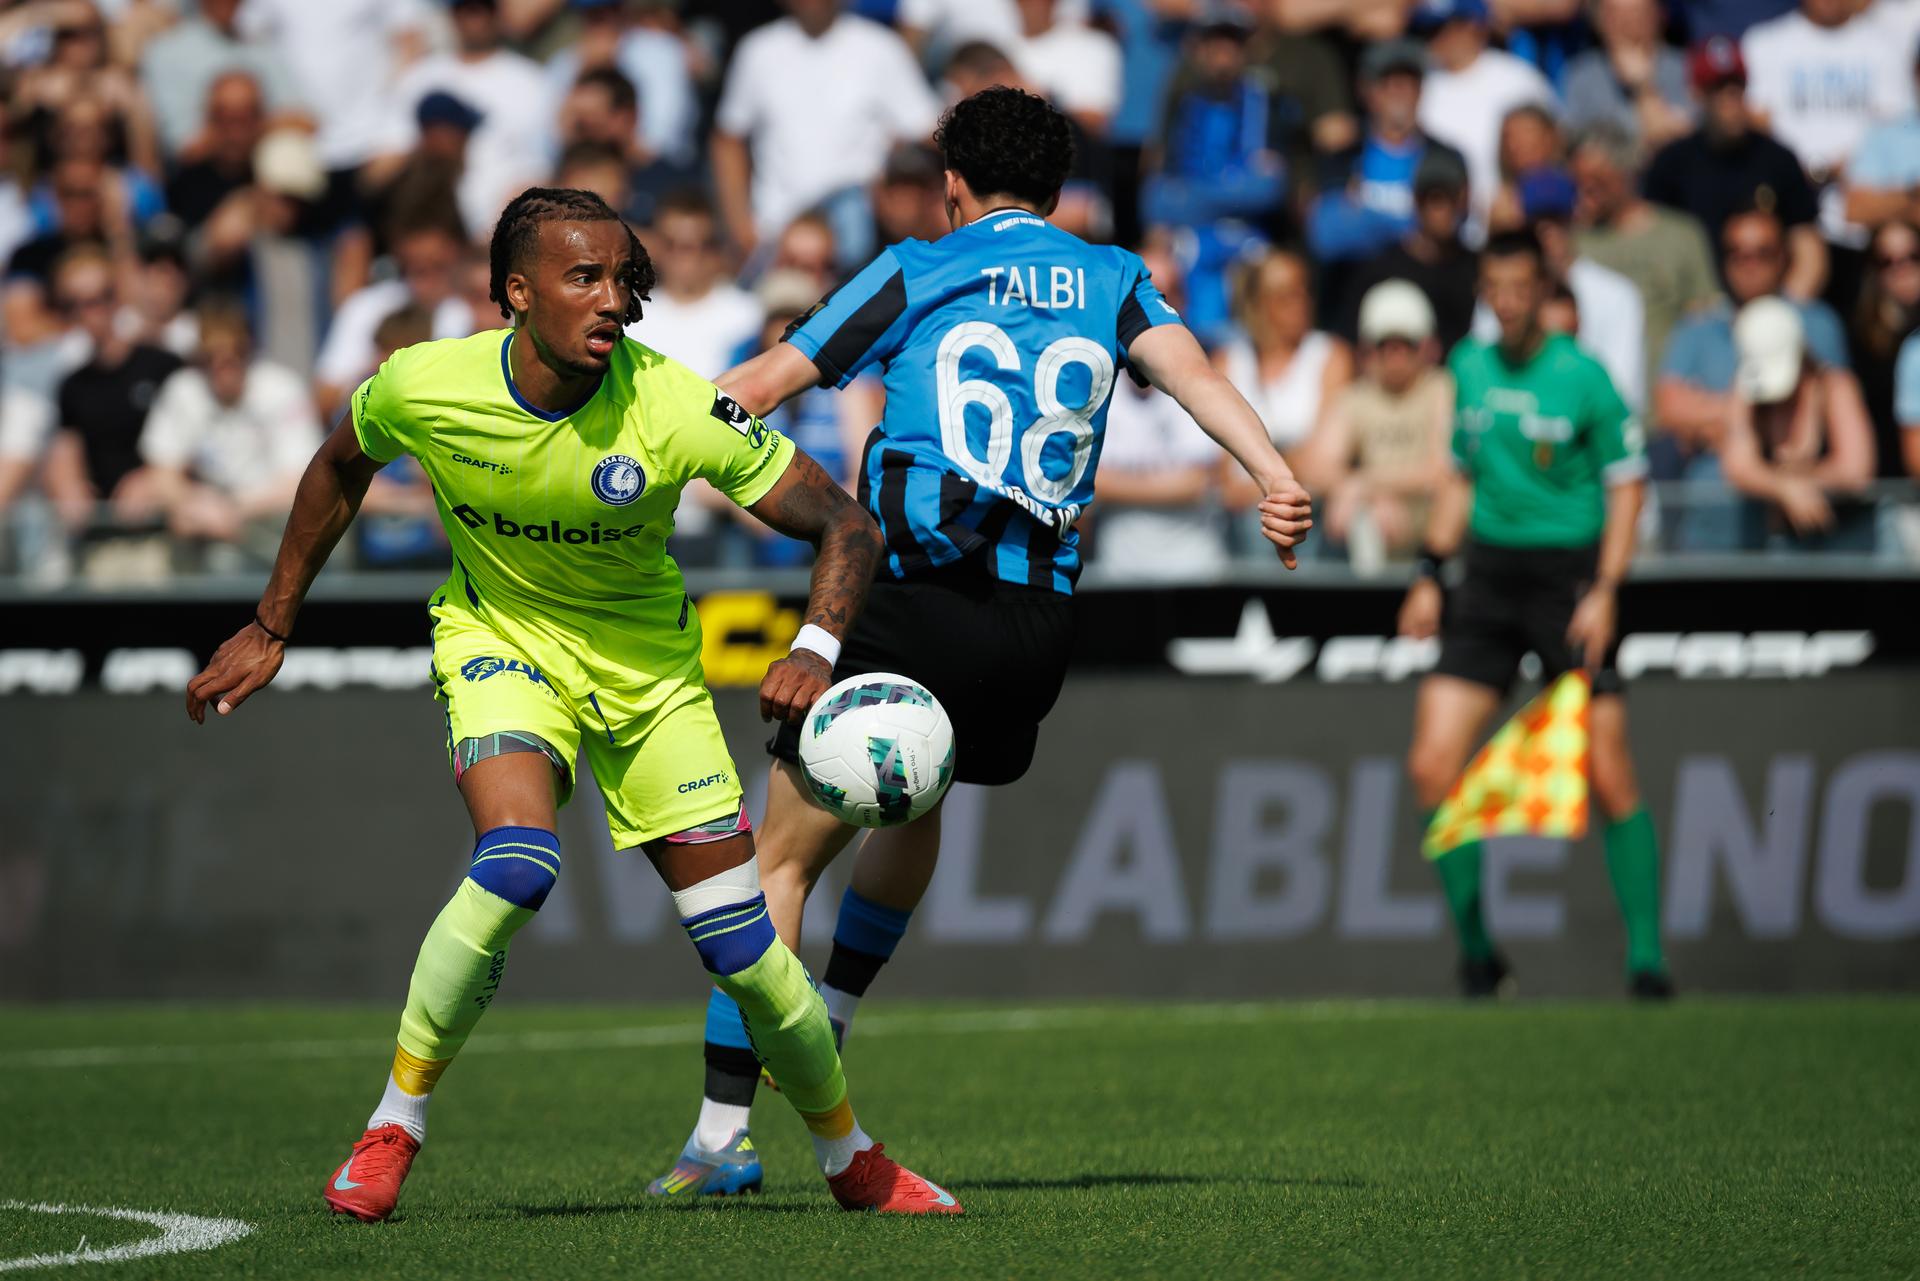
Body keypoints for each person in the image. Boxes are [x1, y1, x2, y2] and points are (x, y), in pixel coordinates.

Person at [182, 185, 961, 1219]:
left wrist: (817, 647)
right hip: (501, 647)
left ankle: (850, 1157)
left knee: (743, 952)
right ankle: (393, 1125)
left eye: (624, 282)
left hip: (649, 682)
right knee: (516, 864)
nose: (614, 303)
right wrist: (273, 621)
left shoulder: (673, 403)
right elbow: (337, 467)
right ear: (516, 293)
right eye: (584, 278)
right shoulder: (425, 384)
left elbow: (846, 524)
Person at [643, 87, 1312, 1197]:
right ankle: (841, 1017)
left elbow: (757, 389)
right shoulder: (1114, 277)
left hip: (907, 589)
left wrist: (641, 449)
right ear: (1058, 189)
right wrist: (1275, 475)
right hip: (1034, 621)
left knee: (780, 859)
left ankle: (721, 1136)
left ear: (952, 183)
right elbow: (1191, 375)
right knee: (919, 790)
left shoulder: (917, 266)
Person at [1397, 228, 1672, 1001]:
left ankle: (1647, 962)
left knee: (1611, 775)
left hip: (1567, 584)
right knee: (1430, 765)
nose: (1507, 299)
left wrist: (1606, 588)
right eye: (1496, 285)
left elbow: (1627, 486)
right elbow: (1458, 475)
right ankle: (1480, 956)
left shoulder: (1584, 377)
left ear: (1544, 291)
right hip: (1487, 579)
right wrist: (1428, 571)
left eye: (1521, 285)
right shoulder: (1469, 367)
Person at [711, 0, 939, 264]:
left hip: (855, 234)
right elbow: (728, 139)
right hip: (776, 230)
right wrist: (740, 225)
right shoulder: (758, 50)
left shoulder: (881, 48)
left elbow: (925, 127)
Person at [1655, 205, 1856, 485]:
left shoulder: (1818, 323)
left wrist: (1715, 418)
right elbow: (1670, 409)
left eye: (1763, 253)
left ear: (1784, 257)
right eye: (1738, 254)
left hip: (1805, 503)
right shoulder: (1697, 326)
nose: (1750, 265)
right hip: (1712, 501)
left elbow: (1836, 405)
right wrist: (1761, 414)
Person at [1642, 36, 1825, 300]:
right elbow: (1655, 244)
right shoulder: (1671, 163)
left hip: (1771, 301)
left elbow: (1808, 248)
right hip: (1696, 306)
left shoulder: (1778, 159)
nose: (1730, 100)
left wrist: (1785, 308)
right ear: (1698, 94)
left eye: (1736, 87)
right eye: (1718, 89)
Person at [135, 303, 322, 558]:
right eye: (211, 357)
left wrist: (233, 508)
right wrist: (192, 502)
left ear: (250, 349)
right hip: (205, 530)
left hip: (277, 534)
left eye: (235, 354)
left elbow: (301, 479)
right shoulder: (182, 390)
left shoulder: (282, 389)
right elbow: (161, 471)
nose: (224, 368)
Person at [1296, 279, 1453, 567]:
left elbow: (1443, 472)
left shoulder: (1442, 389)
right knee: (1360, 517)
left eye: (1406, 343)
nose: (1396, 355)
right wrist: (1368, 495)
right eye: (1385, 344)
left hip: (1438, 539)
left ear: (1425, 346)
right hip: (1379, 532)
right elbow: (1315, 467)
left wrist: (1364, 485)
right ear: (1369, 348)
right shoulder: (1357, 398)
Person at [1570, 121, 1719, 404]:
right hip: (1594, 410)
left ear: (1627, 174)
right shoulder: (1573, 243)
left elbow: (1705, 318)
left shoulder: (1680, 235)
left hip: (1661, 410)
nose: (1585, 194)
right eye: (1578, 183)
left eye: (1597, 182)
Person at [1718, 296, 1878, 549]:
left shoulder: (1836, 387)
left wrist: (1797, 483)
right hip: (1771, 552)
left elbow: (1855, 470)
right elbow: (1737, 467)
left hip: (1844, 547)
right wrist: (1785, 487)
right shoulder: (1745, 391)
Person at [1412, 0, 1558, 242]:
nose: (1435, 38)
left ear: (1474, 25)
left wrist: (1524, 198)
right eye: (1428, 30)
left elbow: (1554, 152)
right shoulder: (1420, 88)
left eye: (1443, 27)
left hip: (1515, 231)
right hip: (1447, 236)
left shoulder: (1518, 79)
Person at [1334, 146, 1478, 354]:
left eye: (1454, 199)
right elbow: (1348, 343)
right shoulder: (1381, 269)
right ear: (1417, 203)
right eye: (1436, 199)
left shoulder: (1477, 268)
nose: (1446, 210)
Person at [1216, 248, 1353, 456]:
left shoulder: (1330, 356)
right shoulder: (1227, 363)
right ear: (1259, 303)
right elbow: (1221, 461)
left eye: (1305, 290)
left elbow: (1323, 453)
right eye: (1288, 295)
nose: (1303, 302)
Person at [1561, 0, 1694, 148]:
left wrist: (1643, 88)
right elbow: (1577, 147)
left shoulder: (1687, 69)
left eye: (1638, 13)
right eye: (1617, 15)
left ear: (1659, 15)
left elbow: (1683, 143)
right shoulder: (1581, 75)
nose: (1629, 23)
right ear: (1599, 20)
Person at [1852, 219, 1920, 478]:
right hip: (1884, 485)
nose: (1901, 269)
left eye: (1913, 256)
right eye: (1887, 261)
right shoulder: (1859, 341)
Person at [1845, 38, 1920, 235]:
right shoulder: (1885, 134)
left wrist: (1893, 201)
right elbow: (1855, 209)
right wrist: (1912, 195)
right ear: (1915, 73)